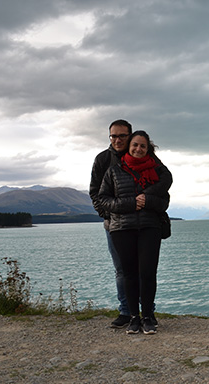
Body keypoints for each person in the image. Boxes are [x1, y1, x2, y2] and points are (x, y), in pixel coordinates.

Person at [98, 131, 172, 334]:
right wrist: (131, 202)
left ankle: (148, 317)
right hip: (122, 228)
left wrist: (146, 200)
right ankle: (133, 318)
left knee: (148, 273)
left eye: (143, 146)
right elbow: (103, 199)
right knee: (129, 274)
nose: (138, 149)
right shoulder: (113, 171)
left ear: (148, 149)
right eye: (135, 145)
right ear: (129, 146)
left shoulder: (156, 172)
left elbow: (164, 202)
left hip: (150, 227)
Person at [89, 119, 134, 328]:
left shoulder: (140, 154)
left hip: (139, 224)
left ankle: (143, 312)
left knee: (142, 269)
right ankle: (125, 311)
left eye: (121, 136)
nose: (117, 140)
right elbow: (95, 192)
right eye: (113, 136)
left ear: (129, 136)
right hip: (113, 225)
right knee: (121, 270)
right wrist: (105, 215)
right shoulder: (102, 159)